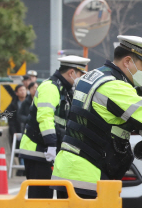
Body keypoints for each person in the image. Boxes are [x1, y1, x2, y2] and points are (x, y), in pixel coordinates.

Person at [52, 35, 142, 198]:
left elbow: (103, 119)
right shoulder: (114, 86)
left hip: (69, 169)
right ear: (127, 61)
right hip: (87, 174)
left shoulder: (93, 76)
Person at [18, 55, 90, 199]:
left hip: (50, 151)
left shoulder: (65, 89)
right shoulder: (51, 87)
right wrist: (51, 144)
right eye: (81, 74)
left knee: (51, 199)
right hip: (39, 150)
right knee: (41, 198)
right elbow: (45, 117)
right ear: (71, 73)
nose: (82, 78)